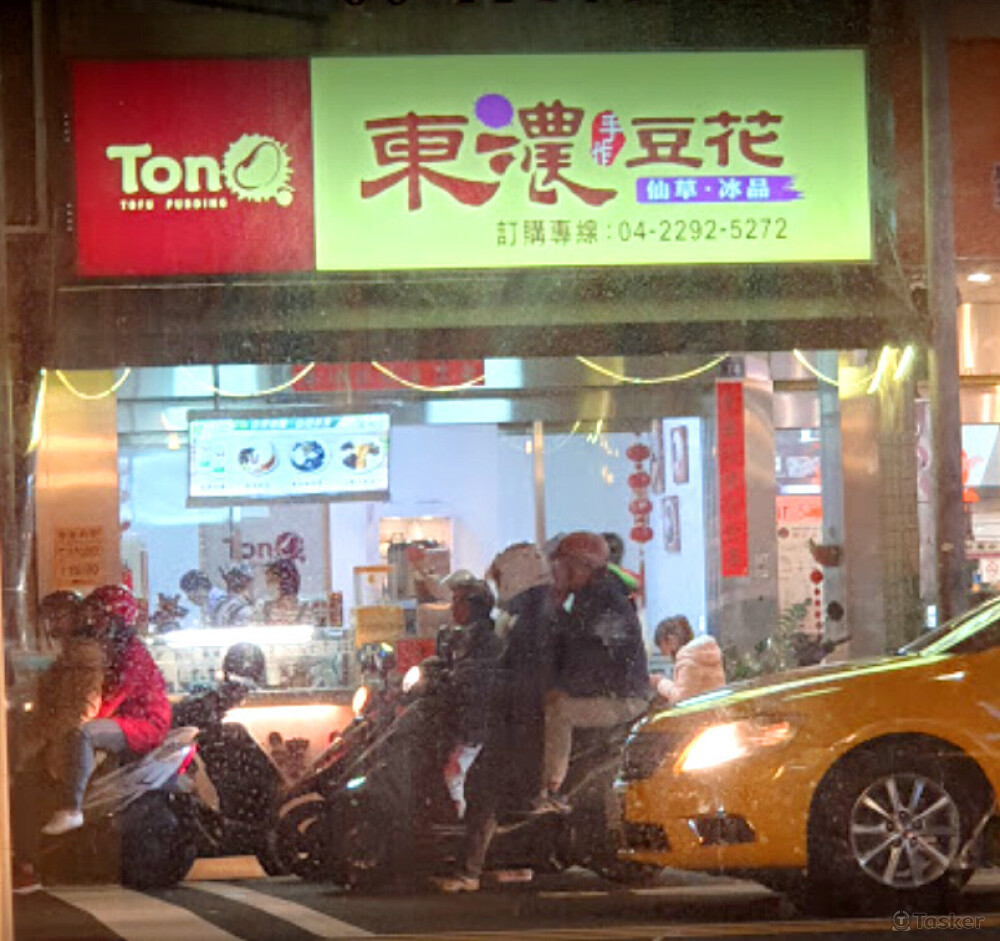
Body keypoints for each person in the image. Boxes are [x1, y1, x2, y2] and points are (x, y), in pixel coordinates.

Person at [434, 542, 556, 893]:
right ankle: (510, 861)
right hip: (513, 719)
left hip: (516, 722)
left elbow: (515, 674)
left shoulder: (528, 622)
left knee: (482, 789)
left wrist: (481, 681)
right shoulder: (523, 617)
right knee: (497, 793)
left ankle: (468, 871)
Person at [39, 584, 172, 837]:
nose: (93, 621)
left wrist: (80, 723)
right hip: (129, 719)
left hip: (145, 724)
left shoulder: (131, 654)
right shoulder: (112, 648)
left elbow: (116, 693)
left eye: (99, 615)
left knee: (85, 734)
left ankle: (71, 808)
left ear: (116, 618)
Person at [532, 531, 649, 815]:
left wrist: (564, 687)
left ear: (581, 566)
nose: (555, 571)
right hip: (609, 692)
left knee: (558, 711)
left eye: (560, 564)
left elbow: (594, 656)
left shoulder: (606, 602)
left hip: (623, 697)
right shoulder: (587, 599)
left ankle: (551, 788)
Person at [439, 570, 502, 819]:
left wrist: (458, 676)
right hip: (454, 714)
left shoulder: (487, 638)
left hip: (474, 720)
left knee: (454, 768)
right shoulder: (454, 636)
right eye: (453, 600)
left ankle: (459, 817)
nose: (453, 607)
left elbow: (477, 674)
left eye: (460, 601)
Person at [652, 615, 726, 704]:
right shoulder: (705, 655)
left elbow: (682, 699)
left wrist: (661, 682)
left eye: (662, 646)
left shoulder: (689, 661)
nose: (663, 653)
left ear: (671, 640)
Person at [262, 559, 305, 624]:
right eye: (267, 581)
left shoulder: (304, 612)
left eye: (271, 580)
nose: (267, 585)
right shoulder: (265, 611)